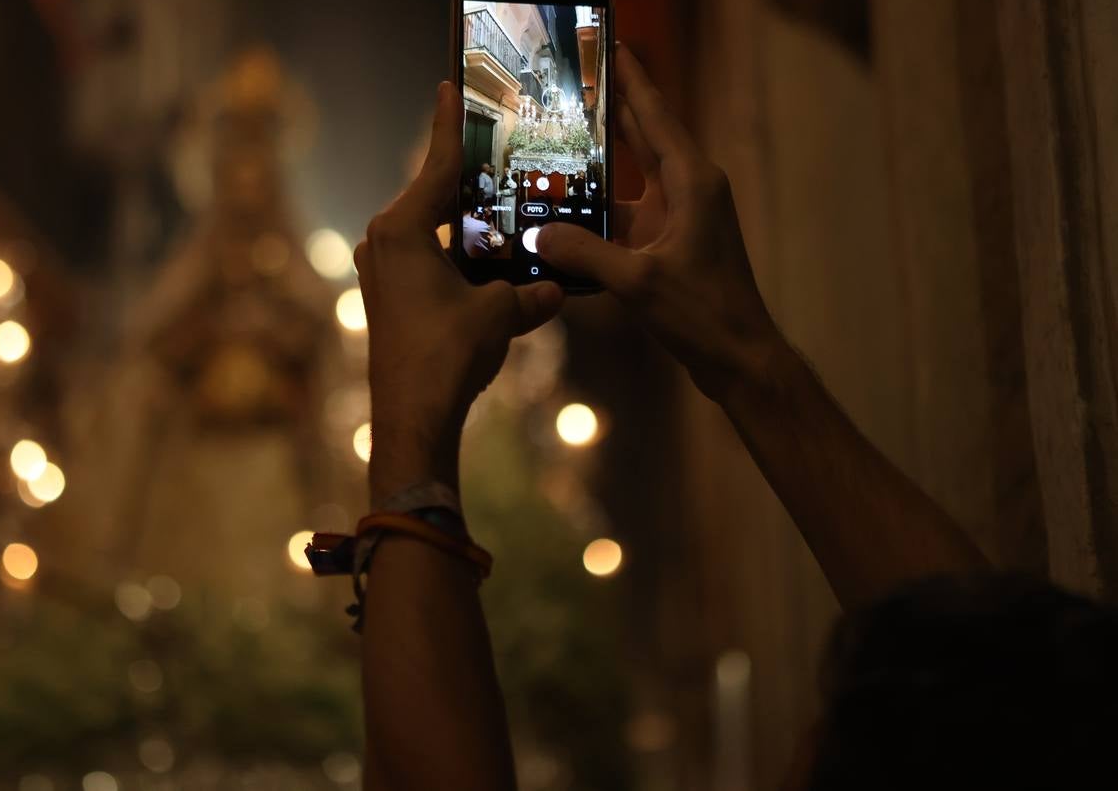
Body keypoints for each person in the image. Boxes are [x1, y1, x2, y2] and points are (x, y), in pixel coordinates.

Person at [349, 46, 1118, 790]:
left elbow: (981, 682)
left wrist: (412, 431)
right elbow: (989, 678)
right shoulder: (1018, 723)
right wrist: (744, 356)